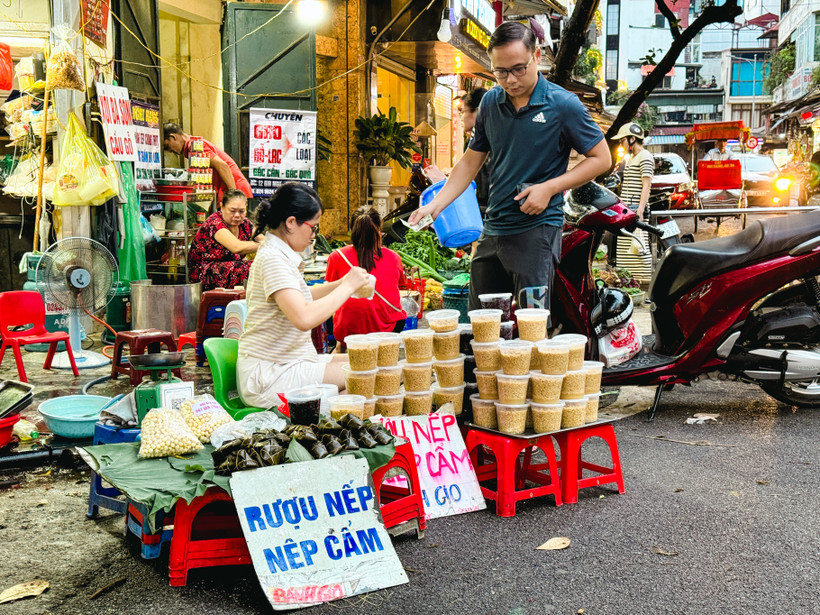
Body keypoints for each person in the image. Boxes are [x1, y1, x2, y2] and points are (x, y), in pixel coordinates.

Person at [409, 21, 611, 311]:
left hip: (537, 232)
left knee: (532, 324)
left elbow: (602, 159)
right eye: (500, 71)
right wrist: (437, 204)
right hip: (493, 230)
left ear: (537, 57)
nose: (510, 79)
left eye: (519, 68)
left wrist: (549, 188)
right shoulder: (490, 102)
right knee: (483, 322)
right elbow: (470, 161)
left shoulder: (563, 105)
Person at [237, 182, 371, 409]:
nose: (314, 236)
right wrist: (347, 287)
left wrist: (340, 283)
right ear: (291, 223)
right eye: (313, 227)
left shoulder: (278, 253)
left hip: (288, 364)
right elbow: (304, 318)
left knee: (371, 363)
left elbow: (301, 296)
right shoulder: (273, 259)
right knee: (368, 375)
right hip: (270, 375)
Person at [325, 207, 406, 342]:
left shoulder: (336, 257)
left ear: (352, 232)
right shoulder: (394, 258)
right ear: (379, 232)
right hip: (388, 329)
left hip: (347, 331)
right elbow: (399, 287)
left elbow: (330, 292)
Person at [187, 190, 262, 291]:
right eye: (232, 211)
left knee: (264, 263)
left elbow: (263, 239)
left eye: (241, 211)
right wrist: (265, 244)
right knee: (254, 267)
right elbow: (236, 247)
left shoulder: (245, 224)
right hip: (205, 274)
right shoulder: (215, 222)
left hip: (229, 269)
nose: (237, 215)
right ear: (222, 207)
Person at [608, 123, 654, 278]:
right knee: (627, 253)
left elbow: (646, 185)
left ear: (632, 138)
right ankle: (629, 285)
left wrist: (640, 211)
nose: (621, 143)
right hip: (628, 212)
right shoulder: (632, 158)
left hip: (636, 211)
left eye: (623, 140)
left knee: (639, 250)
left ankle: (644, 284)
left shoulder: (645, 156)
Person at [163, 123, 253, 202]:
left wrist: (234, 196)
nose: (170, 151)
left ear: (173, 137)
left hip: (236, 190)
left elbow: (223, 166)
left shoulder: (194, 145)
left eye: (167, 146)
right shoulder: (192, 148)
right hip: (227, 191)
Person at [460, 88, 490, 216]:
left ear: (477, 112)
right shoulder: (476, 140)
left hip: (485, 208)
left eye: (463, 112)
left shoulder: (480, 142)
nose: (461, 117)